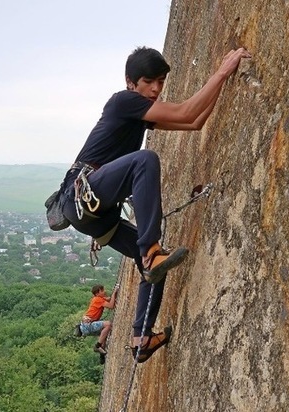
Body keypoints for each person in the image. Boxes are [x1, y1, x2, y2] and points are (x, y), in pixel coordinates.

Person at [61, 45, 251, 363]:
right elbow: (186, 113)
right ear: (130, 82)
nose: (156, 89)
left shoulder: (138, 115)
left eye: (161, 82)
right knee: (144, 161)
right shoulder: (123, 102)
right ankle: (151, 251)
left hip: (93, 212)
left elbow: (194, 122)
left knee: (153, 266)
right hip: (83, 195)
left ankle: (142, 337)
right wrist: (222, 71)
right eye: (149, 81)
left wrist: (223, 82)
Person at [79, 284, 119, 364]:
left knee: (104, 333)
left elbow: (109, 299)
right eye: (102, 291)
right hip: (87, 325)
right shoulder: (97, 299)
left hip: (86, 326)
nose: (104, 292)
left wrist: (114, 294)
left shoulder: (99, 298)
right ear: (97, 293)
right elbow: (111, 306)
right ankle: (97, 346)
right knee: (108, 324)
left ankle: (102, 354)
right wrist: (114, 292)